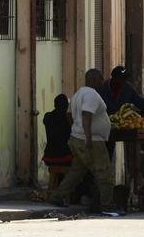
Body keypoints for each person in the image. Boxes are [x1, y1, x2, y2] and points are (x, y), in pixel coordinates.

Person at [51, 69, 120, 214]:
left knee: (77, 171)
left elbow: (69, 114)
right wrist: (87, 136)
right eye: (101, 80)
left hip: (77, 139)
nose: (102, 83)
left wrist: (75, 129)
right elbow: (86, 115)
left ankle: (58, 196)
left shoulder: (78, 94)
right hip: (92, 140)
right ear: (95, 80)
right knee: (103, 171)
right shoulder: (91, 95)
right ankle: (107, 205)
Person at [42, 93, 73, 188]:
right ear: (67, 106)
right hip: (65, 157)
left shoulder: (47, 117)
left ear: (54, 104)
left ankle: (57, 186)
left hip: (49, 157)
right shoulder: (68, 119)